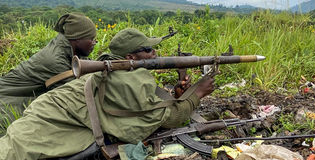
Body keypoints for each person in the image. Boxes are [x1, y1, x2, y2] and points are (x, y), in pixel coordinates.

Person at [0, 28, 215, 159]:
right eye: (147, 50)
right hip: (51, 119)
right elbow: (171, 118)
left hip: (48, 109)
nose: (154, 53)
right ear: (130, 56)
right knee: (14, 150)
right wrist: (199, 92)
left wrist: (176, 92)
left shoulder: (110, 65)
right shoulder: (128, 81)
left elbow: (146, 104)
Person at [0, 13, 97, 127]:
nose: (94, 43)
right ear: (77, 38)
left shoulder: (67, 48)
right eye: (92, 39)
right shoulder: (55, 60)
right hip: (7, 100)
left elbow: (87, 64)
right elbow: (76, 95)